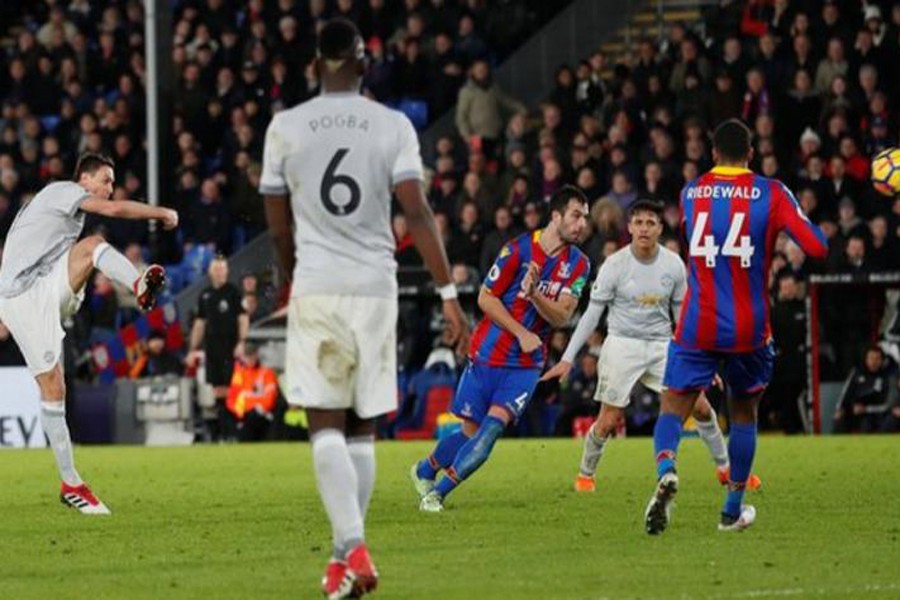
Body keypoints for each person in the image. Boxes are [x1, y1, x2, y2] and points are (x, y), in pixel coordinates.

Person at [259, 19, 469, 600]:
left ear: (314, 65)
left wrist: (288, 277)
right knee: (362, 430)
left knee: (324, 423)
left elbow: (277, 229)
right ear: (361, 60)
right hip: (377, 287)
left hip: (319, 286)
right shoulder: (392, 124)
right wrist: (449, 295)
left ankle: (348, 549)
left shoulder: (285, 127)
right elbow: (419, 214)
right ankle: (342, 558)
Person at [644, 120, 827, 535]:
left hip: (698, 323)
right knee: (743, 414)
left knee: (674, 405)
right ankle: (731, 511)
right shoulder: (771, 192)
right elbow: (817, 246)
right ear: (751, 154)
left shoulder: (691, 191)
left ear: (711, 154)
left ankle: (667, 468)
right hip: (748, 327)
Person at [542, 199, 760, 493]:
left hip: (661, 345)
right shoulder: (615, 265)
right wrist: (568, 358)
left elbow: (683, 318)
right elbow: (592, 315)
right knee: (608, 421)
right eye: (639, 222)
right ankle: (585, 474)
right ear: (629, 227)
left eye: (650, 223)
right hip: (622, 344)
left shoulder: (673, 265)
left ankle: (726, 470)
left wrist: (702, 360)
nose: (644, 228)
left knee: (701, 407)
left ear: (659, 229)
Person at [0, 152, 177, 515]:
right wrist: (161, 213)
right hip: (24, 295)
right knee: (53, 387)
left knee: (92, 248)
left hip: (42, 287)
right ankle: (71, 482)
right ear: (85, 179)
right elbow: (112, 212)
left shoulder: (63, 211)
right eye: (106, 181)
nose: (109, 189)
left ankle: (139, 284)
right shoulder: (65, 191)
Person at [410, 185, 591, 512]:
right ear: (556, 216)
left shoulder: (579, 265)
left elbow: (563, 315)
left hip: (525, 366)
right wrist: (521, 331)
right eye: (576, 216)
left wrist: (535, 294)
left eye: (585, 218)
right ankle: (424, 469)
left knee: (489, 433)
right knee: (469, 434)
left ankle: (437, 492)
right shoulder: (517, 250)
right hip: (486, 354)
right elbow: (484, 298)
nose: (582, 225)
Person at [187, 256, 248, 442]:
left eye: (223, 269)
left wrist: (242, 342)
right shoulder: (205, 295)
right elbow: (199, 324)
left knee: (230, 389)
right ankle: (222, 433)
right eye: (217, 269)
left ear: (227, 271)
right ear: (210, 272)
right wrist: (192, 348)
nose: (221, 272)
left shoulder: (234, 292)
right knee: (217, 390)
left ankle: (231, 432)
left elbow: (243, 318)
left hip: (230, 346)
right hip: (212, 348)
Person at [225, 341, 278, 441]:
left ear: (256, 355)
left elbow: (270, 399)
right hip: (242, 414)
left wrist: (255, 409)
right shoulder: (239, 374)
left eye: (252, 355)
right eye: (247, 356)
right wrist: (239, 412)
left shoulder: (266, 373)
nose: (250, 359)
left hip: (261, 415)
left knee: (252, 422)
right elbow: (232, 398)